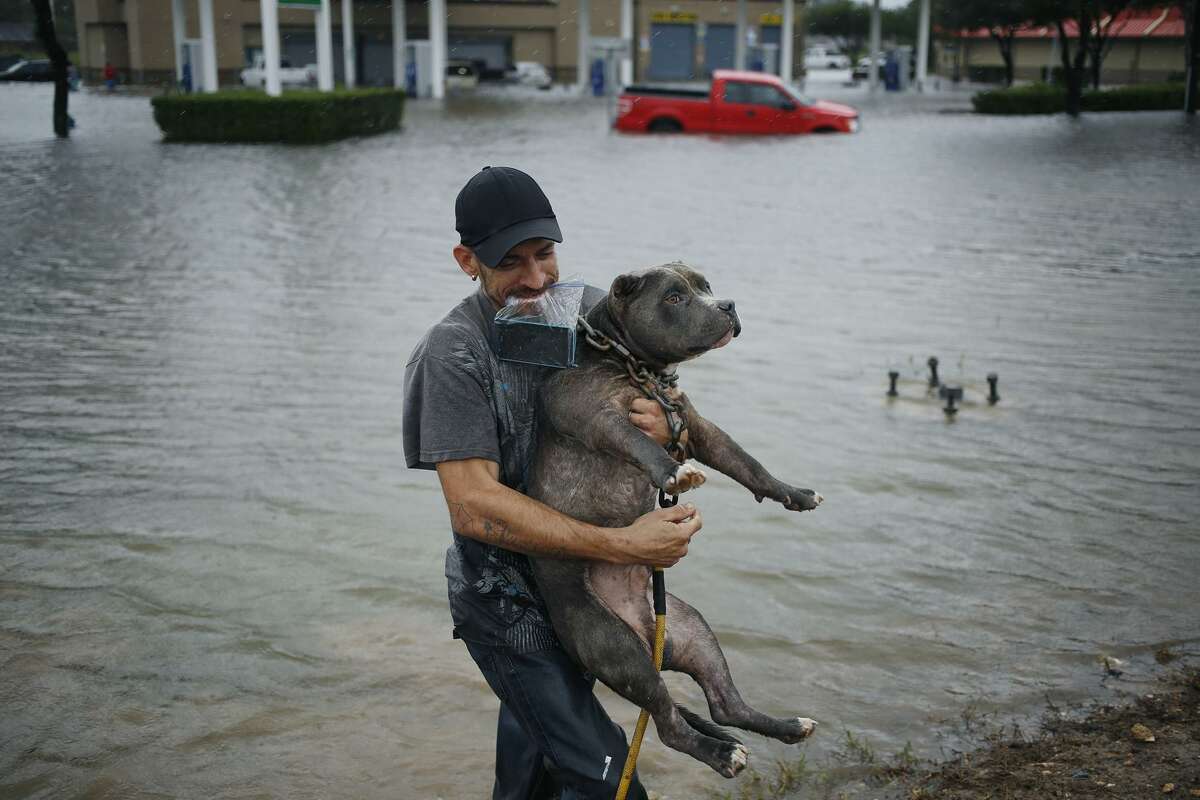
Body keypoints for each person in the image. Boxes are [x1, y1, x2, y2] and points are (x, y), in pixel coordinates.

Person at [403, 166, 704, 799]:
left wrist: (667, 422)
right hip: (510, 607)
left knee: (531, 773)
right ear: (466, 260)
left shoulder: (591, 313)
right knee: (608, 779)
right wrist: (627, 547)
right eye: (511, 262)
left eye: (546, 254)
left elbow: (676, 406)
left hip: (586, 592)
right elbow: (475, 507)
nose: (537, 279)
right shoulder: (453, 354)